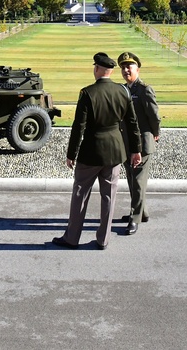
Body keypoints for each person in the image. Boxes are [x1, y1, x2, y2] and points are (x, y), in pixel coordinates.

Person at [52, 52, 141, 250]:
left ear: (98, 69)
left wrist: (71, 153)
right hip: (115, 150)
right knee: (109, 196)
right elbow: (132, 123)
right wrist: (136, 150)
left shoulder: (87, 93)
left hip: (91, 150)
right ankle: (103, 239)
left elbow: (79, 127)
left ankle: (72, 237)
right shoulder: (123, 92)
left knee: (80, 194)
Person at [117, 51, 161, 236]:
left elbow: (154, 116)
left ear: (137, 68)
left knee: (137, 182)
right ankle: (142, 213)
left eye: (129, 66)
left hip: (142, 143)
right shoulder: (123, 90)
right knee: (132, 180)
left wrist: (155, 133)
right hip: (127, 143)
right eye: (123, 67)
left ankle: (134, 219)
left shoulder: (144, 90)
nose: (126, 70)